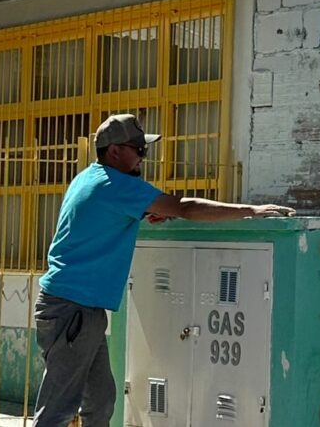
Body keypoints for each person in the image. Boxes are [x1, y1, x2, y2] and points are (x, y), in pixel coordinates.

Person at [33, 114, 296, 427]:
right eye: (138, 150)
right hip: (72, 310)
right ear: (114, 152)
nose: (144, 157)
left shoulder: (91, 178)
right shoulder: (114, 184)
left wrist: (149, 211)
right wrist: (250, 210)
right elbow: (183, 207)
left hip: (77, 309)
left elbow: (110, 218)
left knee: (101, 401)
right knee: (58, 409)